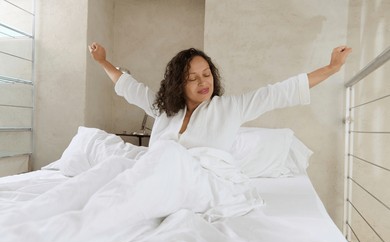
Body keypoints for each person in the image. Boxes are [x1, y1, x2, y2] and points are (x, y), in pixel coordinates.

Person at [88, 43, 352, 152]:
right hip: (156, 174)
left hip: (200, 183)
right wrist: (103, 62)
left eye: (206, 74)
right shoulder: (165, 109)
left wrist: (331, 69)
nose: (204, 82)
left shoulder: (231, 108)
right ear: (178, 84)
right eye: (192, 78)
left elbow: (279, 93)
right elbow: (129, 86)